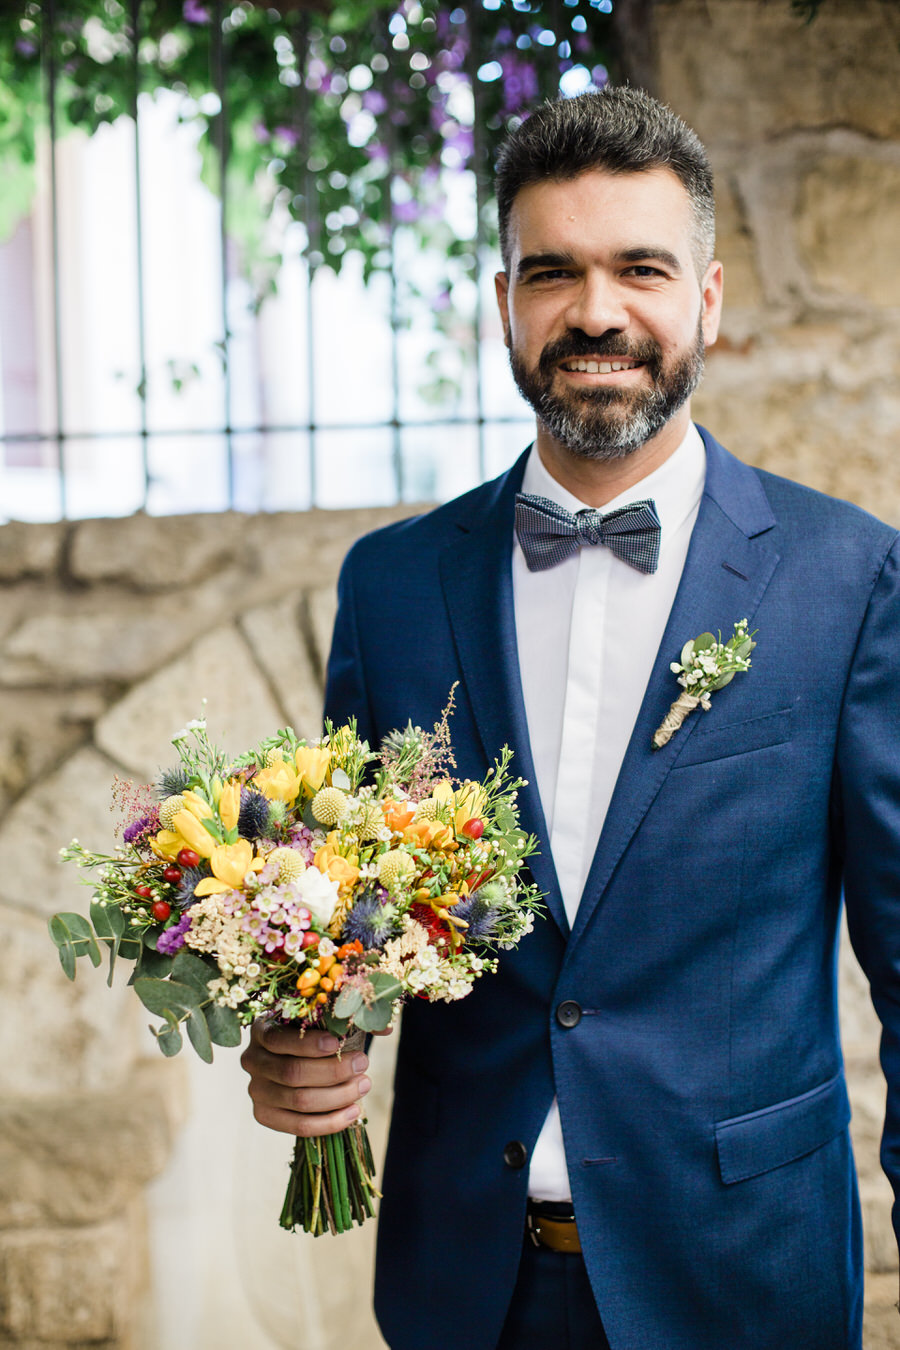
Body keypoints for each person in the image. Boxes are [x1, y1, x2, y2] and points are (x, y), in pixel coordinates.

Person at [240, 87, 900, 1350]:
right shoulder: (390, 586)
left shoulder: (849, 580)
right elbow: (348, 919)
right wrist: (301, 1037)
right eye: (553, 272)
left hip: (744, 1284)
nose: (596, 311)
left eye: (640, 269)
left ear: (706, 297)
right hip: (465, 1289)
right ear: (505, 305)